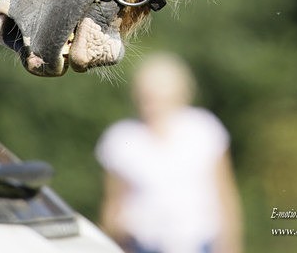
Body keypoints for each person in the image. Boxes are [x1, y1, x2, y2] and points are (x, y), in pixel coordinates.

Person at [95, 53, 243, 253]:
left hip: (200, 243)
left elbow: (225, 195)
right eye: (148, 98)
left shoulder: (205, 129)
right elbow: (113, 204)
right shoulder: (121, 138)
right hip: (143, 245)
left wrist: (231, 245)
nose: (153, 106)